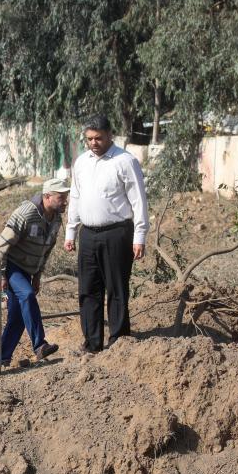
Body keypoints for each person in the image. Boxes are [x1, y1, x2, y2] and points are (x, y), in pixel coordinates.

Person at [64, 114, 149, 353]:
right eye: (89, 138)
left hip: (117, 233)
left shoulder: (125, 161)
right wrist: (71, 231)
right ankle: (92, 343)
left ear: (110, 135)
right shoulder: (81, 162)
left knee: (116, 289)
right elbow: (76, 196)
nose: (94, 143)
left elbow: (139, 201)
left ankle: (119, 342)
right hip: (88, 234)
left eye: (98, 138)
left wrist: (140, 236)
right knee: (88, 290)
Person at [0, 178, 70, 367]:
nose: (65, 202)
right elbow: (0, 246)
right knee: (27, 296)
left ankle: (1, 359)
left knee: (18, 316)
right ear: (47, 196)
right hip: (10, 265)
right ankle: (40, 345)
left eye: (66, 197)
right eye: (61, 197)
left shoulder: (56, 220)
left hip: (28, 269)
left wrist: (37, 276)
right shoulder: (26, 213)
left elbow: (46, 250)